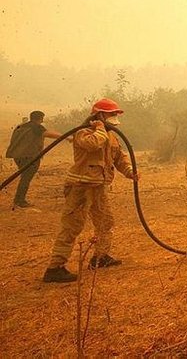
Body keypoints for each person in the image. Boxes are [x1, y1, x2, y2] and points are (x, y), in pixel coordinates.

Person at [42, 98, 139, 283]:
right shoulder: (83, 133)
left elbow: (118, 157)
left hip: (98, 187)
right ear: (99, 115)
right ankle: (55, 268)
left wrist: (130, 172)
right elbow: (93, 144)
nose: (115, 118)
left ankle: (100, 257)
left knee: (105, 222)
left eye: (115, 115)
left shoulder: (110, 136)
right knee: (72, 226)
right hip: (80, 186)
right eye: (111, 115)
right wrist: (100, 128)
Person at [5, 110, 63, 209]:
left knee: (25, 177)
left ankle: (19, 200)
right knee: (26, 178)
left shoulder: (21, 127)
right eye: (42, 118)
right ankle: (19, 201)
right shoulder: (36, 126)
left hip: (18, 156)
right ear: (40, 118)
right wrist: (67, 137)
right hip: (29, 157)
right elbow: (48, 134)